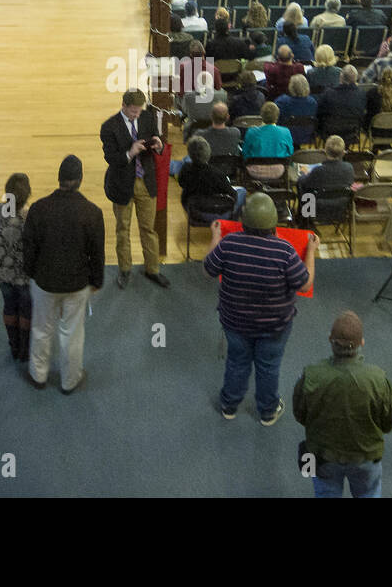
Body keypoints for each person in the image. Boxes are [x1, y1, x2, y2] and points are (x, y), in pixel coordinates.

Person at [204, 193, 315, 424]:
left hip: (235, 323)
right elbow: (305, 283)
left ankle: (229, 406)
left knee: (236, 362)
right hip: (275, 326)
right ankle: (267, 411)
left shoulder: (229, 243)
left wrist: (215, 235)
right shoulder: (284, 251)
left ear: (243, 221)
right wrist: (311, 251)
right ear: (274, 223)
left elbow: (209, 269)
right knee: (269, 366)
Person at [21, 155, 105, 393]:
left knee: (41, 329)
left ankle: (38, 375)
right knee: (72, 333)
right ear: (80, 180)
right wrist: (96, 281)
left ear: (59, 178)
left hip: (44, 281)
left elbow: (29, 247)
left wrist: (31, 273)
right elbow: (97, 253)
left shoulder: (38, 209)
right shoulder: (92, 213)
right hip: (77, 284)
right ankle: (70, 380)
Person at [293, 310, 392, 498]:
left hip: (324, 456)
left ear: (330, 340)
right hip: (366, 456)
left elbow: (300, 415)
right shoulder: (378, 379)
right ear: (361, 343)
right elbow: (389, 422)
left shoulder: (311, 375)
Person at [101, 89, 166, 289]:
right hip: (122, 184)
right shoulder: (109, 127)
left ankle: (152, 269)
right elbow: (111, 159)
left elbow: (156, 138)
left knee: (148, 229)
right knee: (123, 229)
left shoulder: (147, 117)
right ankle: (125, 269)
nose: (137, 115)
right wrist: (130, 153)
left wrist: (159, 144)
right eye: (133, 112)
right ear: (124, 106)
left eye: (139, 111)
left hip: (146, 182)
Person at [0, 173, 32, 362]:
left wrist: (1, 252)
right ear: (27, 195)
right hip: (24, 275)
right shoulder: (29, 217)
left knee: (9, 305)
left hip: (1, 272)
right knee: (26, 308)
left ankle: (14, 345)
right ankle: (25, 349)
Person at [179, 135, 244, 224]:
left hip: (194, 211)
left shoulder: (185, 169)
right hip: (219, 211)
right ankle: (233, 224)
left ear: (189, 154)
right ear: (208, 153)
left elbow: (181, 183)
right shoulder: (218, 174)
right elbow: (232, 194)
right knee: (242, 191)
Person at [316, 65, 366, 143]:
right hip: (352, 132)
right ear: (356, 78)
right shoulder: (361, 94)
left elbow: (319, 112)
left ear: (341, 77)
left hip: (330, 132)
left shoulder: (328, 93)